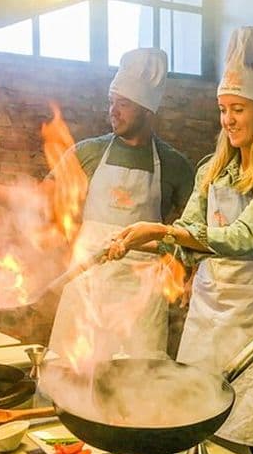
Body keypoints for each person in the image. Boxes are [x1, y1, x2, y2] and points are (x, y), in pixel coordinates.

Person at [108, 26, 253, 454]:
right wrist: (145, 241)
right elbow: (188, 232)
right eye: (223, 109)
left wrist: (164, 232)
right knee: (194, 418)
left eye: (238, 109)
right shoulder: (212, 167)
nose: (228, 120)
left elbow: (242, 238)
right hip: (211, 307)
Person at [22, 48, 195, 363]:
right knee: (72, 375)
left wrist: (190, 273)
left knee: (139, 380)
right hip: (88, 284)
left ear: (146, 109)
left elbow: (194, 233)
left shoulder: (175, 165)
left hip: (141, 294)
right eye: (111, 102)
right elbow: (39, 199)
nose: (113, 111)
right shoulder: (88, 153)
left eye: (123, 104)